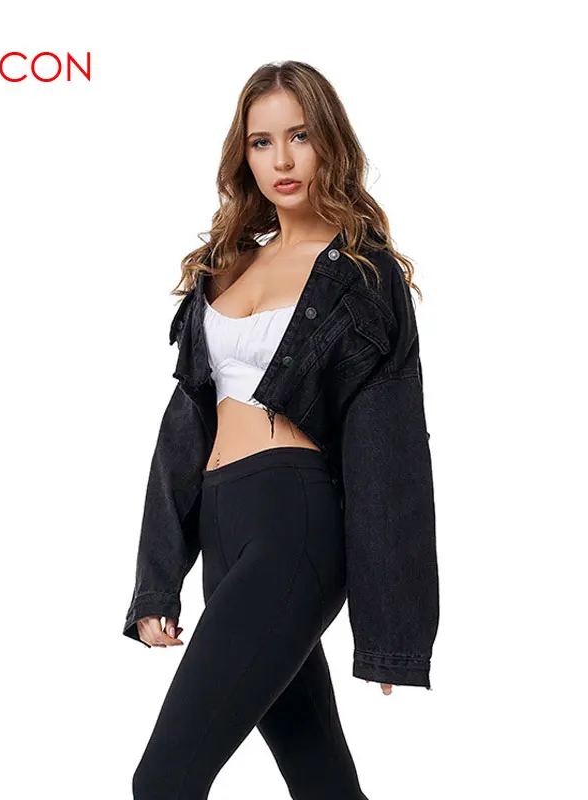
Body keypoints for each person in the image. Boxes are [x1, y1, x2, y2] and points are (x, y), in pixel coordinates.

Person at [125, 60, 440, 800]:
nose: (283, 160)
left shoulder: (361, 275)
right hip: (224, 531)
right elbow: (183, 432)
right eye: (262, 142)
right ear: (245, 155)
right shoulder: (225, 266)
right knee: (321, 781)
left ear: (329, 142)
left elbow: (390, 449)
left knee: (163, 781)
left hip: (293, 529)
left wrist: (392, 628)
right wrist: (156, 583)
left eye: (300, 136)